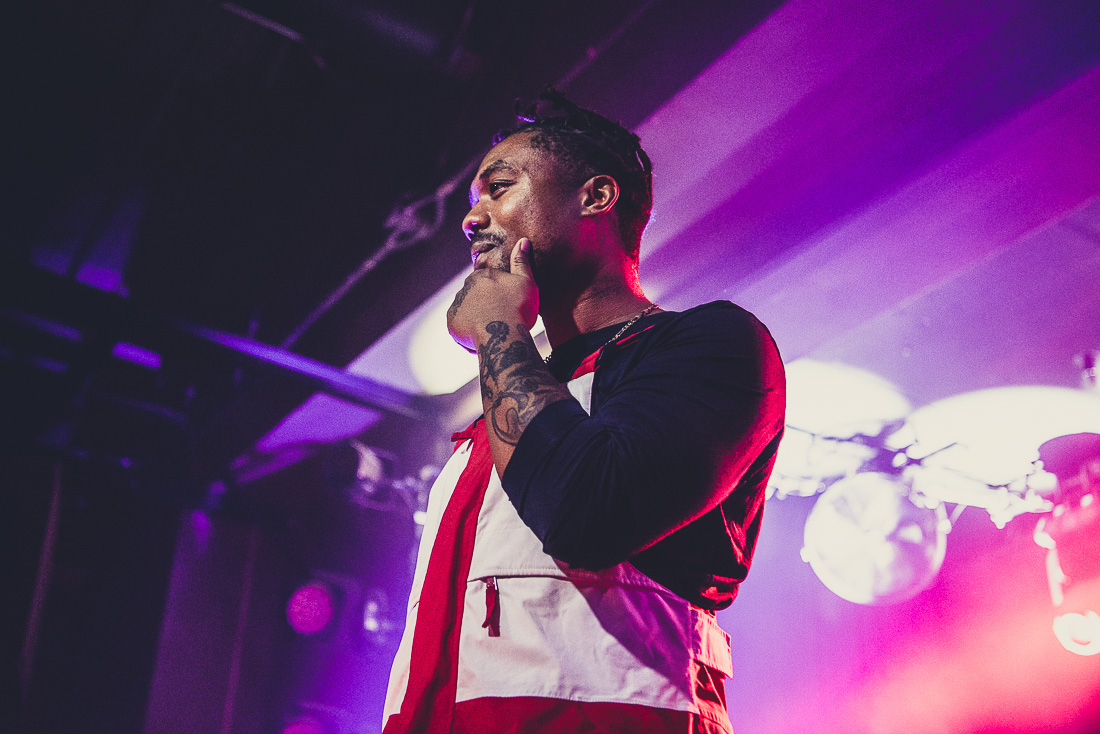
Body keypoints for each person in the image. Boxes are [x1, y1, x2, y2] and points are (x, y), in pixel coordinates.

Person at [383, 89, 785, 734]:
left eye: (500, 188)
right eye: (473, 202)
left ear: (597, 197)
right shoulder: (505, 408)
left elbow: (586, 514)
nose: (473, 219)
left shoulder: (712, 343)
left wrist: (497, 333)